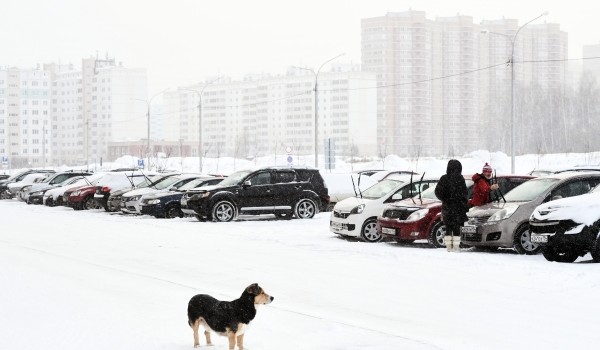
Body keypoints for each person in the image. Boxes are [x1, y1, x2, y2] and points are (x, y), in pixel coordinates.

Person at [435, 159, 469, 252]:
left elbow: (437, 192)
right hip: (458, 208)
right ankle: (456, 247)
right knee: (457, 227)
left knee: (448, 227)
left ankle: (449, 247)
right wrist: (461, 201)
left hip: (447, 208)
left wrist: (445, 198)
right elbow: (465, 193)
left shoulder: (444, 178)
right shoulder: (460, 178)